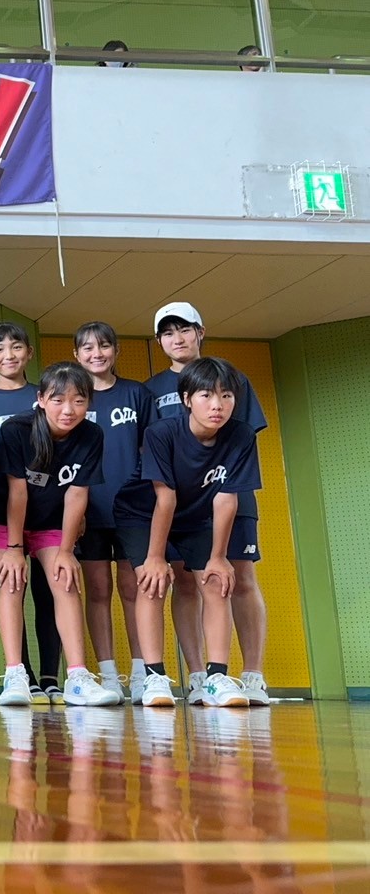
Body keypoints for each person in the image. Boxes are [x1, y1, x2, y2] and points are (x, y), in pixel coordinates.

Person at [144, 301, 271, 705]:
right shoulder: (151, 390)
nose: (177, 338)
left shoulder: (232, 378)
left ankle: (252, 676)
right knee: (185, 582)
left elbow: (241, 439)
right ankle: (200, 676)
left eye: (185, 329)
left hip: (229, 493)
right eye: (168, 333)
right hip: (180, 504)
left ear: (200, 332)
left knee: (239, 578)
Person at [114, 358, 258, 709]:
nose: (217, 405)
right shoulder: (161, 433)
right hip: (141, 514)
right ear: (186, 399)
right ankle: (154, 676)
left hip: (195, 516)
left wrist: (219, 557)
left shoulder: (240, 435)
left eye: (226, 396)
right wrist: (154, 557)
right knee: (152, 582)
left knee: (215, 581)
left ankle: (216, 677)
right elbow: (165, 497)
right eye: (206, 395)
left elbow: (226, 498)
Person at [0, 362, 117, 707]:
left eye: (78, 401)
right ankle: (15, 674)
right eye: (58, 400)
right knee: (12, 580)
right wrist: (14, 548)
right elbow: (17, 492)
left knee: (65, 579)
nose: (68, 410)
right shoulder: (17, 430)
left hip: (51, 519)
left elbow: (77, 494)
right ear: (41, 399)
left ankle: (77, 677)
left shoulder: (92, 435)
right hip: (5, 517)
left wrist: (66, 550)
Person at [0, 321, 58, 703]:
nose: (9, 355)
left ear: (29, 353)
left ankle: (51, 676)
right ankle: (22, 675)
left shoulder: (44, 397)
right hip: (1, 510)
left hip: (47, 507)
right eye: (0, 349)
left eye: (16, 346)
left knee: (49, 591)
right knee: (13, 587)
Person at [72, 321, 153, 703]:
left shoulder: (137, 393)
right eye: (88, 348)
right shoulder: (73, 399)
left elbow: (151, 451)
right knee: (98, 589)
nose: (97, 354)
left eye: (104, 346)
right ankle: (107, 675)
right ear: (77, 355)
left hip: (134, 510)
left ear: (116, 351)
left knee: (134, 588)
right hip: (88, 510)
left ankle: (142, 674)